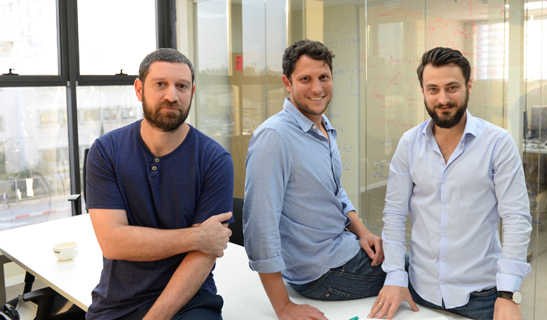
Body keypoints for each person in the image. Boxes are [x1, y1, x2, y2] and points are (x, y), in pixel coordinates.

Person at [369, 47, 532, 320]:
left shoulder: (497, 143)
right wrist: (396, 276)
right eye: (433, 89)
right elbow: (394, 215)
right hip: (419, 293)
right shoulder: (409, 144)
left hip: (482, 297)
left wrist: (508, 294)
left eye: (452, 87)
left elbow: (516, 218)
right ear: (422, 91)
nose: (442, 99)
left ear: (469, 86)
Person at [85, 48, 234, 320]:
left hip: (190, 301)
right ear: (139, 89)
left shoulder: (215, 160)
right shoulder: (106, 151)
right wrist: (198, 236)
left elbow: (204, 255)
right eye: (161, 84)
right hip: (118, 301)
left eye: (182, 86)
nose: (172, 95)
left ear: (192, 91)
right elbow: (113, 242)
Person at [243, 39, 386, 320]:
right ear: (287, 82)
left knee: (419, 264)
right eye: (305, 79)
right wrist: (283, 307)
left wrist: (363, 231)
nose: (317, 88)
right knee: (420, 274)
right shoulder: (274, 137)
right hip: (320, 271)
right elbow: (260, 226)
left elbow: (334, 192)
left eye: (324, 77)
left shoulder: (323, 128)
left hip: (340, 247)